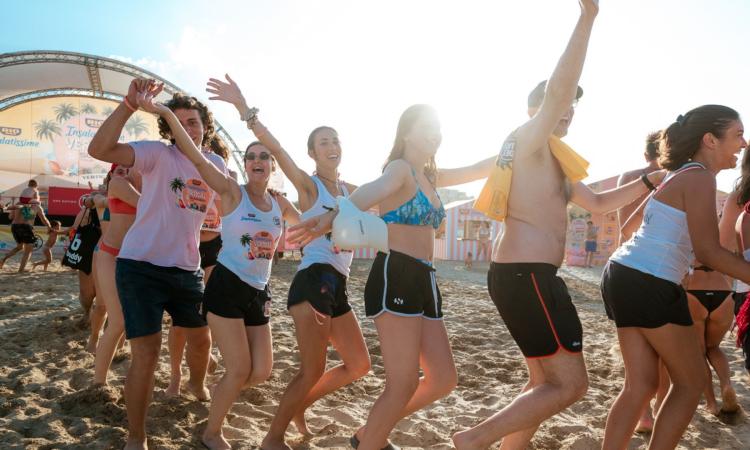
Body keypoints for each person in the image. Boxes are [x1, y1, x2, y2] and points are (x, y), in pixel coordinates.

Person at [450, 2, 678, 448]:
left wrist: (651, 179)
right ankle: (473, 439)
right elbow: (558, 92)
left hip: (531, 276)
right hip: (526, 276)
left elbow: (596, 204)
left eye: (574, 108)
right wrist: (587, 18)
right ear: (539, 108)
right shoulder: (529, 139)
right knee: (570, 386)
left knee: (543, 383)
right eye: (563, 104)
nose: (569, 111)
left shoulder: (555, 159)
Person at [289, 102, 503, 450]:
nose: (435, 135)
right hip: (396, 274)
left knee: (443, 379)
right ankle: (371, 440)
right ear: (406, 133)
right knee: (402, 383)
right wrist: (327, 220)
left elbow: (480, 167)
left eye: (438, 129)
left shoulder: (431, 177)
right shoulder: (400, 169)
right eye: (426, 128)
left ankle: (368, 433)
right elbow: (362, 196)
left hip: (426, 278)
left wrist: (523, 141)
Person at [205, 74, 373, 450]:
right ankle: (273, 438)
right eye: (322, 141)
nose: (331, 145)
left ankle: (300, 405)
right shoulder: (308, 185)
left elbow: (384, 202)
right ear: (313, 153)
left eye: (335, 140)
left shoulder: (353, 191)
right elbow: (276, 148)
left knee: (360, 364)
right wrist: (243, 108)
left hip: (339, 282)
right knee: (311, 368)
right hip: (314, 280)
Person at [141, 86, 300, 448]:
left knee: (262, 371)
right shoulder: (231, 192)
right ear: (245, 165)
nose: (258, 160)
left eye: (264, 157)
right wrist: (166, 115)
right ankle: (211, 432)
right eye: (251, 157)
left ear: (272, 166)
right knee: (241, 368)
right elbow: (197, 160)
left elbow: (312, 225)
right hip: (226, 287)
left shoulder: (280, 204)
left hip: (260, 291)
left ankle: (221, 386)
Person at [600, 105, 748, 449]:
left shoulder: (679, 174)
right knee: (691, 380)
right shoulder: (699, 177)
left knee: (640, 385)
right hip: (647, 279)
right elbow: (710, 253)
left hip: (623, 272)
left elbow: (634, 229)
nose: (743, 144)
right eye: (738, 134)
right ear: (710, 140)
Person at [88, 79, 223, 450]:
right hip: (140, 267)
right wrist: (128, 106)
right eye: (179, 121)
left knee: (200, 339)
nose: (188, 127)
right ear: (168, 128)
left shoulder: (214, 163)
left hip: (186, 269)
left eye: (193, 121)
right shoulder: (155, 154)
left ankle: (195, 383)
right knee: (146, 355)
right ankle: (136, 437)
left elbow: (228, 200)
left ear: (204, 127)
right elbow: (99, 148)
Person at [166, 130, 228, 397]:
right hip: (184, 243)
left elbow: (230, 208)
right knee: (179, 318)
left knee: (206, 310)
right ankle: (175, 376)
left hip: (213, 245)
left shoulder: (221, 173)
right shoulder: (177, 169)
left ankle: (200, 367)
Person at [615, 131, 667, 433]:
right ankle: (658, 409)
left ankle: (644, 414)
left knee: (634, 351)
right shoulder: (674, 177)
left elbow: (624, 227)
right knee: (662, 350)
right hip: (660, 268)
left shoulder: (631, 177)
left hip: (626, 266)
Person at [92, 164, 141, 385]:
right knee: (117, 319)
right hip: (110, 255)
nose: (124, 171)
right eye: (118, 169)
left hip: (137, 258)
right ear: (111, 174)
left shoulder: (143, 184)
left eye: (128, 168)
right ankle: (98, 382)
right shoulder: (117, 185)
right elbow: (149, 206)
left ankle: (118, 354)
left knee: (128, 320)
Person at [683, 259, 738, 415]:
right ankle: (726, 384)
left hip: (694, 290)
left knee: (699, 353)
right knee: (713, 347)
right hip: (723, 291)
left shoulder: (690, 234)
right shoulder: (727, 234)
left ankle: (711, 403)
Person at [1, 191, 51, 272]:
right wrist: (49, 227)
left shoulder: (18, 204)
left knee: (19, 247)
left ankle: (3, 259)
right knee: (28, 251)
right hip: (26, 227)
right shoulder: (36, 206)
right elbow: (44, 219)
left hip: (15, 227)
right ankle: (21, 270)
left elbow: (10, 217)